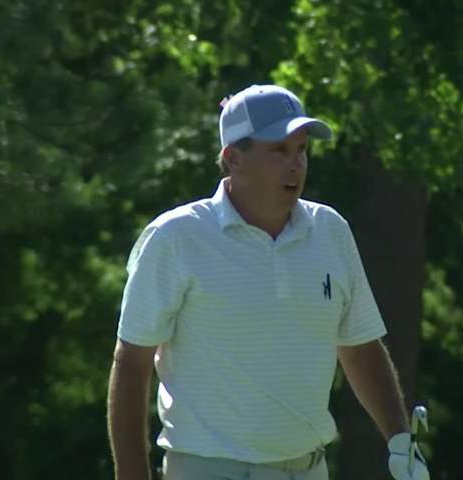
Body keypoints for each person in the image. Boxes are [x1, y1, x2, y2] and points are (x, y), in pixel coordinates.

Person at [106, 84, 430, 480]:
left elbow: (360, 349)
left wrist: (399, 438)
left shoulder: (330, 231)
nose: (296, 164)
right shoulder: (176, 238)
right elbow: (132, 362)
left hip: (309, 469)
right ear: (234, 158)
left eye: (302, 150)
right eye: (279, 150)